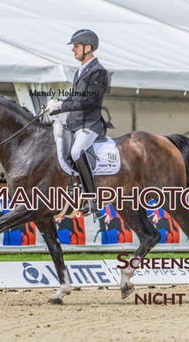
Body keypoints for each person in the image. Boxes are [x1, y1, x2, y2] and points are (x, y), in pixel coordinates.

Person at [45, 29, 111, 214]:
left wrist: (61, 106)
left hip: (89, 124)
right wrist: (57, 106)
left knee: (76, 152)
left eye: (76, 46)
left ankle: (92, 198)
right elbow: (75, 99)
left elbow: (88, 101)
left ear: (88, 47)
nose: (73, 49)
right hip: (75, 123)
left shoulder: (98, 71)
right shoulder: (80, 71)